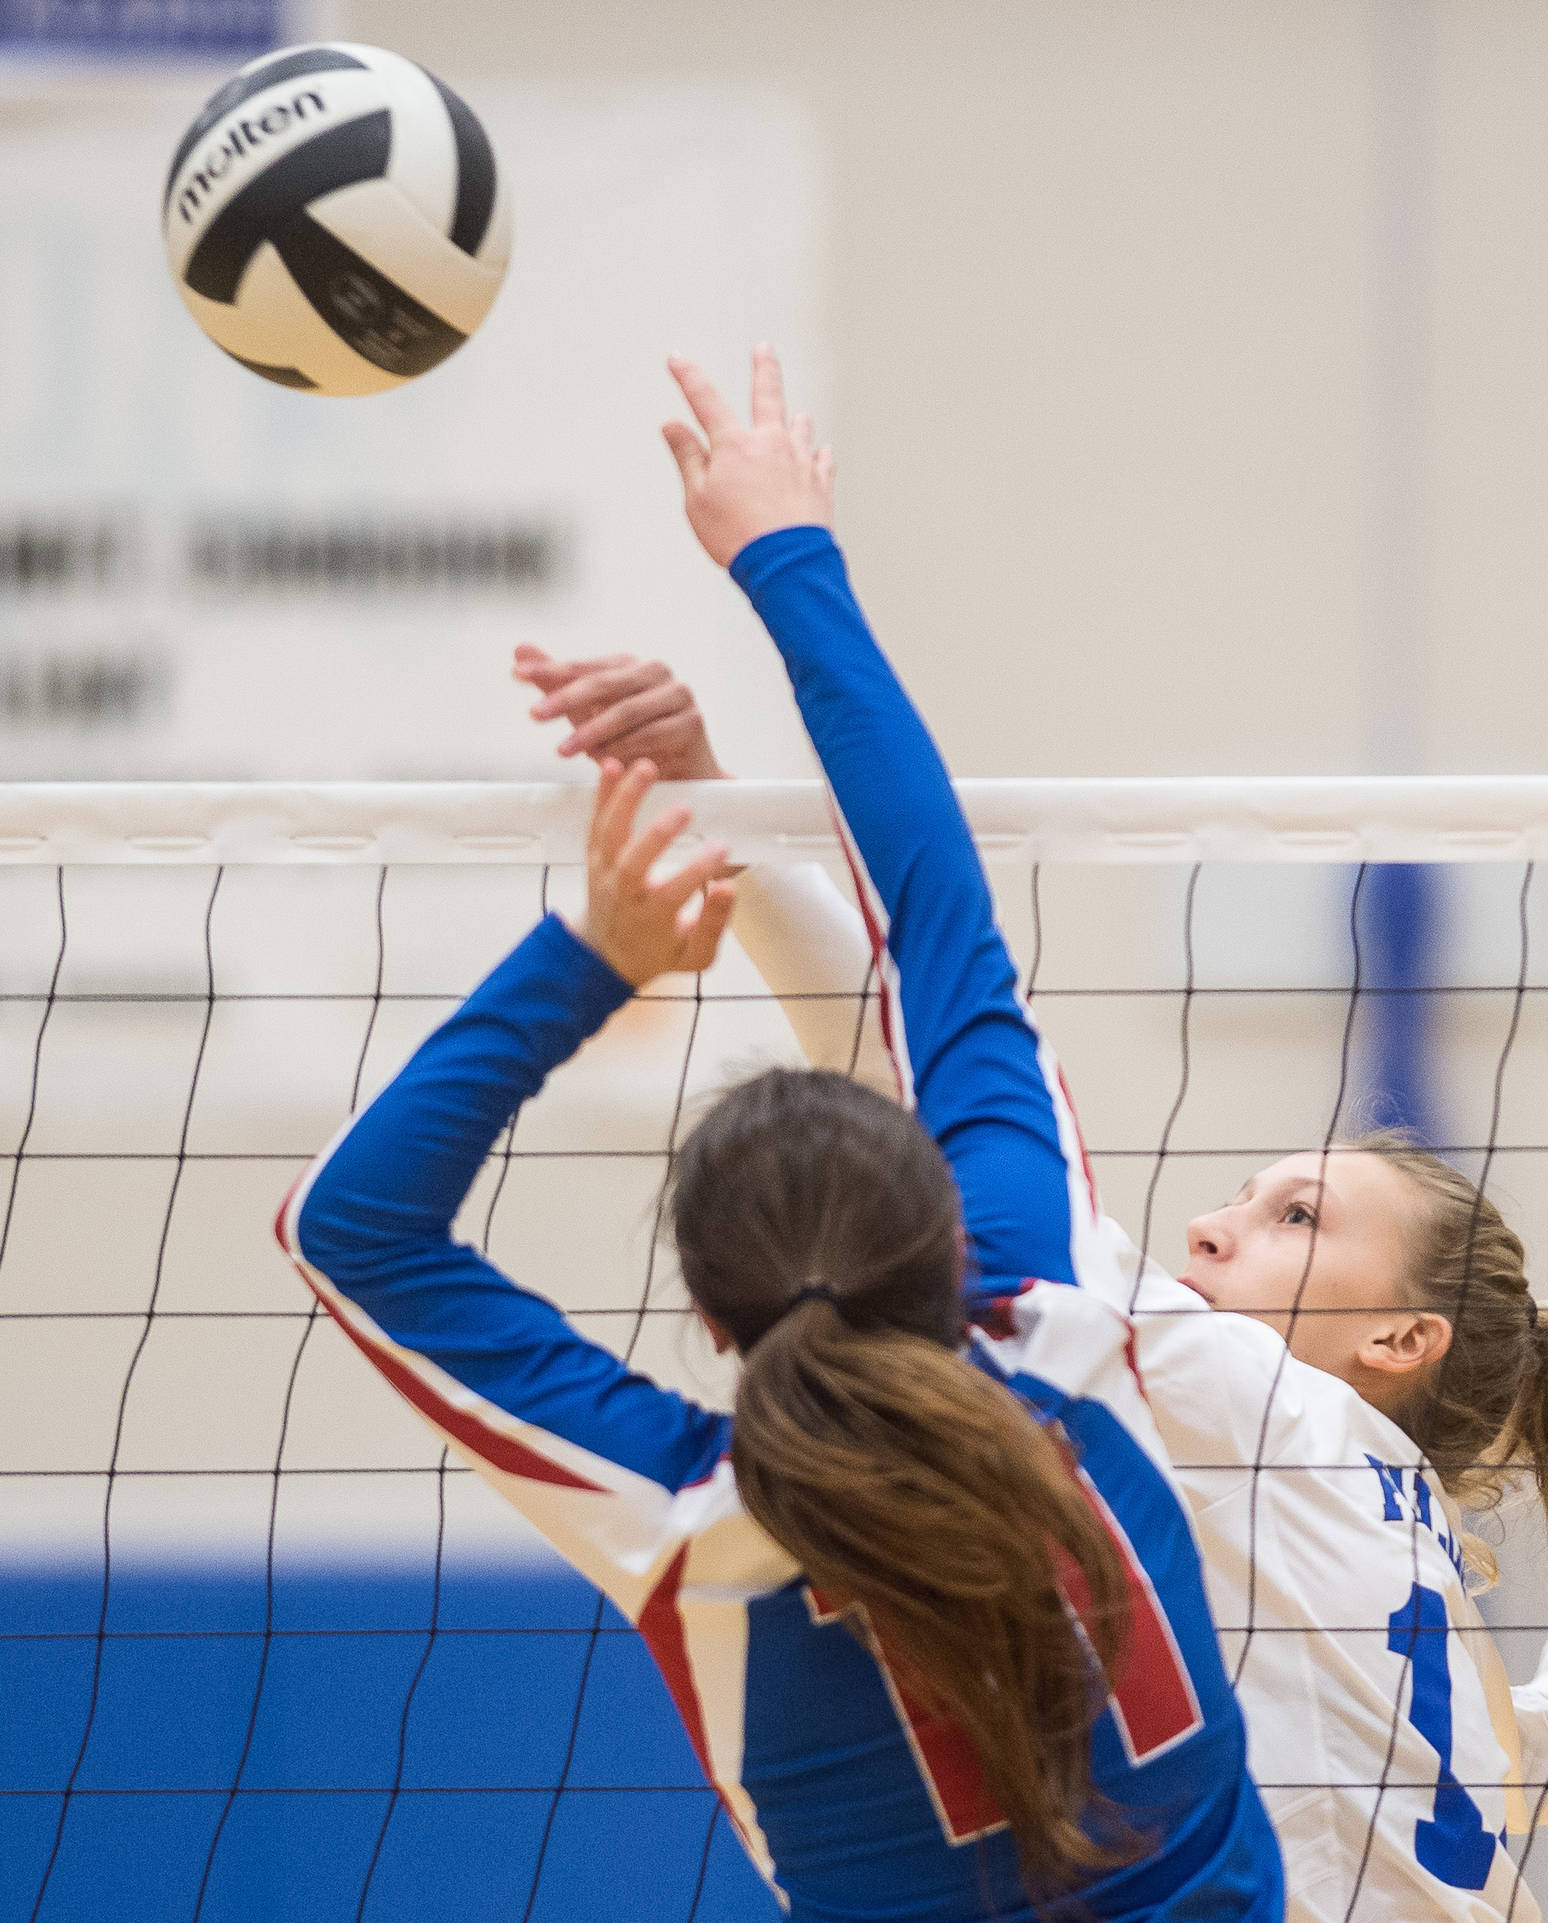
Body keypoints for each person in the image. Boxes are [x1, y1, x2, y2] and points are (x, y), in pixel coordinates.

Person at [517, 359, 1548, 1923]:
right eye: (1245, 1200)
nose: (1215, 1232)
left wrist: (772, 613)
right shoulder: (1409, 1560)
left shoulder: (1250, 1413)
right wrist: (728, 812)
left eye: (1300, 1215)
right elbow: (914, 1056)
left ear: (1399, 1336)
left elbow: (916, 1015)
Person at [277, 351, 1287, 1922]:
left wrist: (598, 953)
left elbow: (349, 1229)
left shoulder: (689, 1531)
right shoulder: (1065, 1320)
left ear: (706, 1318)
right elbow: (938, 918)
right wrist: (783, 552)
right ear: (947, 1235)